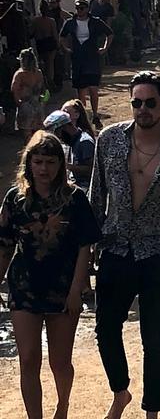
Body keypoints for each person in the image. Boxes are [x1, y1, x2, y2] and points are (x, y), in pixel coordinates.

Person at [89, 71, 160, 419]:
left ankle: (152, 411)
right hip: (114, 247)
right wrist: (88, 247)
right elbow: (96, 198)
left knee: (153, 336)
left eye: (149, 103)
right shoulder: (109, 140)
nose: (142, 109)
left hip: (156, 253)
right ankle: (120, 391)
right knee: (106, 328)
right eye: (136, 102)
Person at [0, 130, 101, 419]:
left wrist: (76, 290)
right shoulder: (15, 199)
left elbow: (85, 246)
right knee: (28, 358)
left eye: (50, 162)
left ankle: (63, 405)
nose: (44, 169)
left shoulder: (75, 199)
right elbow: (4, 246)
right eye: (38, 162)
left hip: (62, 288)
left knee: (60, 361)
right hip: (24, 287)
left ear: (61, 164)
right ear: (29, 163)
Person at [60, 0, 113, 130]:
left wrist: (105, 48)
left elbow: (109, 33)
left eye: (82, 8)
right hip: (78, 59)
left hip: (92, 58)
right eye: (77, 8)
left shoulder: (95, 22)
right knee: (81, 91)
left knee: (94, 89)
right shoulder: (70, 23)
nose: (79, 11)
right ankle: (83, 117)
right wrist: (66, 48)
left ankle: (95, 114)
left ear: (88, 9)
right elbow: (62, 36)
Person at [44, 110, 95, 193]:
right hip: (75, 183)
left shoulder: (84, 142)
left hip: (85, 188)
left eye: (58, 133)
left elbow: (92, 169)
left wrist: (67, 166)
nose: (59, 137)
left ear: (65, 127)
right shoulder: (73, 141)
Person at [12, 48, 45, 144]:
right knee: (38, 131)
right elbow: (43, 88)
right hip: (38, 105)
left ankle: (30, 147)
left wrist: (18, 102)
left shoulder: (19, 74)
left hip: (25, 105)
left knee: (27, 132)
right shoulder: (39, 73)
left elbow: (14, 89)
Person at [31, 0, 58, 89]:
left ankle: (44, 81)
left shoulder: (35, 21)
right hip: (50, 42)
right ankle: (50, 80)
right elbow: (55, 35)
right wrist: (58, 45)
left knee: (41, 63)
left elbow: (31, 33)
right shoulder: (51, 21)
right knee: (50, 64)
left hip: (41, 43)